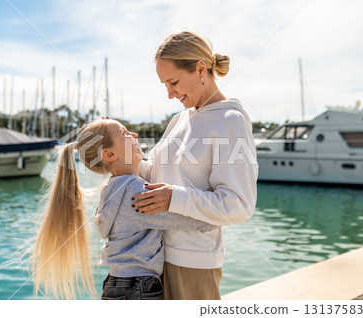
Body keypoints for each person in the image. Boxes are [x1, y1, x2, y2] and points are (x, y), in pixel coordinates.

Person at [133, 31, 259, 300]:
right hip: (152, 255)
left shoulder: (230, 120)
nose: (169, 94)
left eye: (174, 82)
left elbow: (239, 205)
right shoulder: (178, 120)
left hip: (192, 264)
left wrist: (174, 197)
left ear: (201, 69)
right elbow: (151, 174)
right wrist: (117, 153)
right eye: (165, 85)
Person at [31, 118, 216, 300]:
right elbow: (199, 222)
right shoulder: (137, 193)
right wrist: (218, 204)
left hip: (116, 283)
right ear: (109, 155)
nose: (134, 134)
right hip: (139, 287)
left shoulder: (112, 190)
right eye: (124, 133)